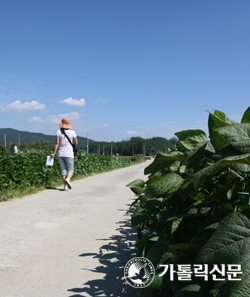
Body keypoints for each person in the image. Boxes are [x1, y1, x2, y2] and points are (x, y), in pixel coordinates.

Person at [51, 117, 78, 191]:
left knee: (63, 170)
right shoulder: (72, 132)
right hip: (69, 153)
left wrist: (54, 153)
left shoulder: (58, 132)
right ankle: (68, 179)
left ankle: (65, 186)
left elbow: (57, 143)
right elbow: (76, 142)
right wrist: (73, 146)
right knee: (71, 169)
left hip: (60, 153)